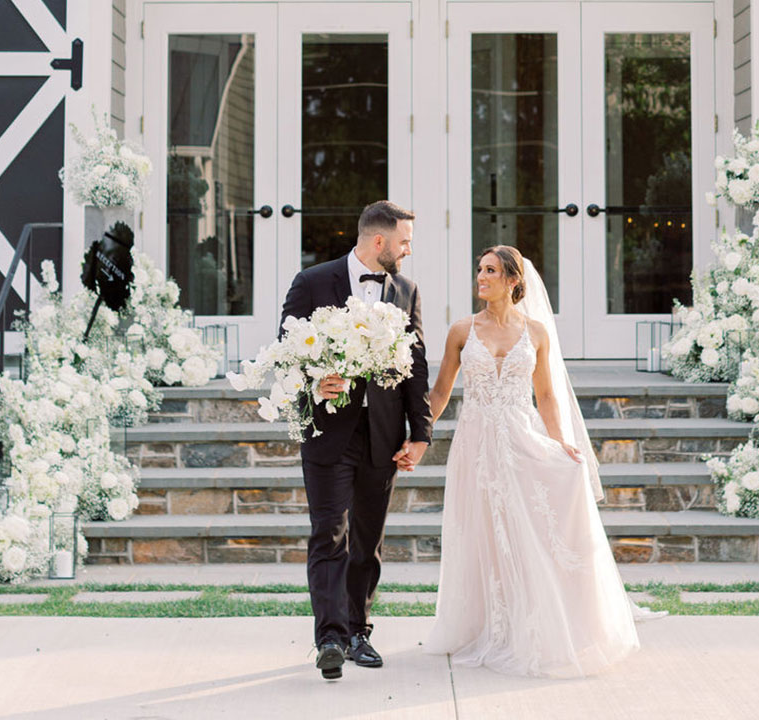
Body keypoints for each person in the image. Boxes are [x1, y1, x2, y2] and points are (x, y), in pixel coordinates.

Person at [423, 245, 663, 678]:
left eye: (491, 271)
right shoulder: (462, 330)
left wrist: (563, 445)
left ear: (514, 281)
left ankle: (534, 620)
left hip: (520, 438)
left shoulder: (535, 333)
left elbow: (547, 396)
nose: (481, 277)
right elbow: (440, 393)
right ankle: (486, 622)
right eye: (479, 269)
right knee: (480, 530)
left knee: (529, 527)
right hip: (474, 445)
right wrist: (417, 434)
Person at [279, 201, 433, 680]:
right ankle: (328, 637)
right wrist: (313, 381)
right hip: (328, 432)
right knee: (330, 534)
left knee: (367, 539)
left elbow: (417, 365)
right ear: (380, 241)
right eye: (404, 242)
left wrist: (421, 432)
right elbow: (285, 351)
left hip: (383, 436)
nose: (409, 251)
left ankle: (357, 631)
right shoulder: (312, 282)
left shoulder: (406, 290)